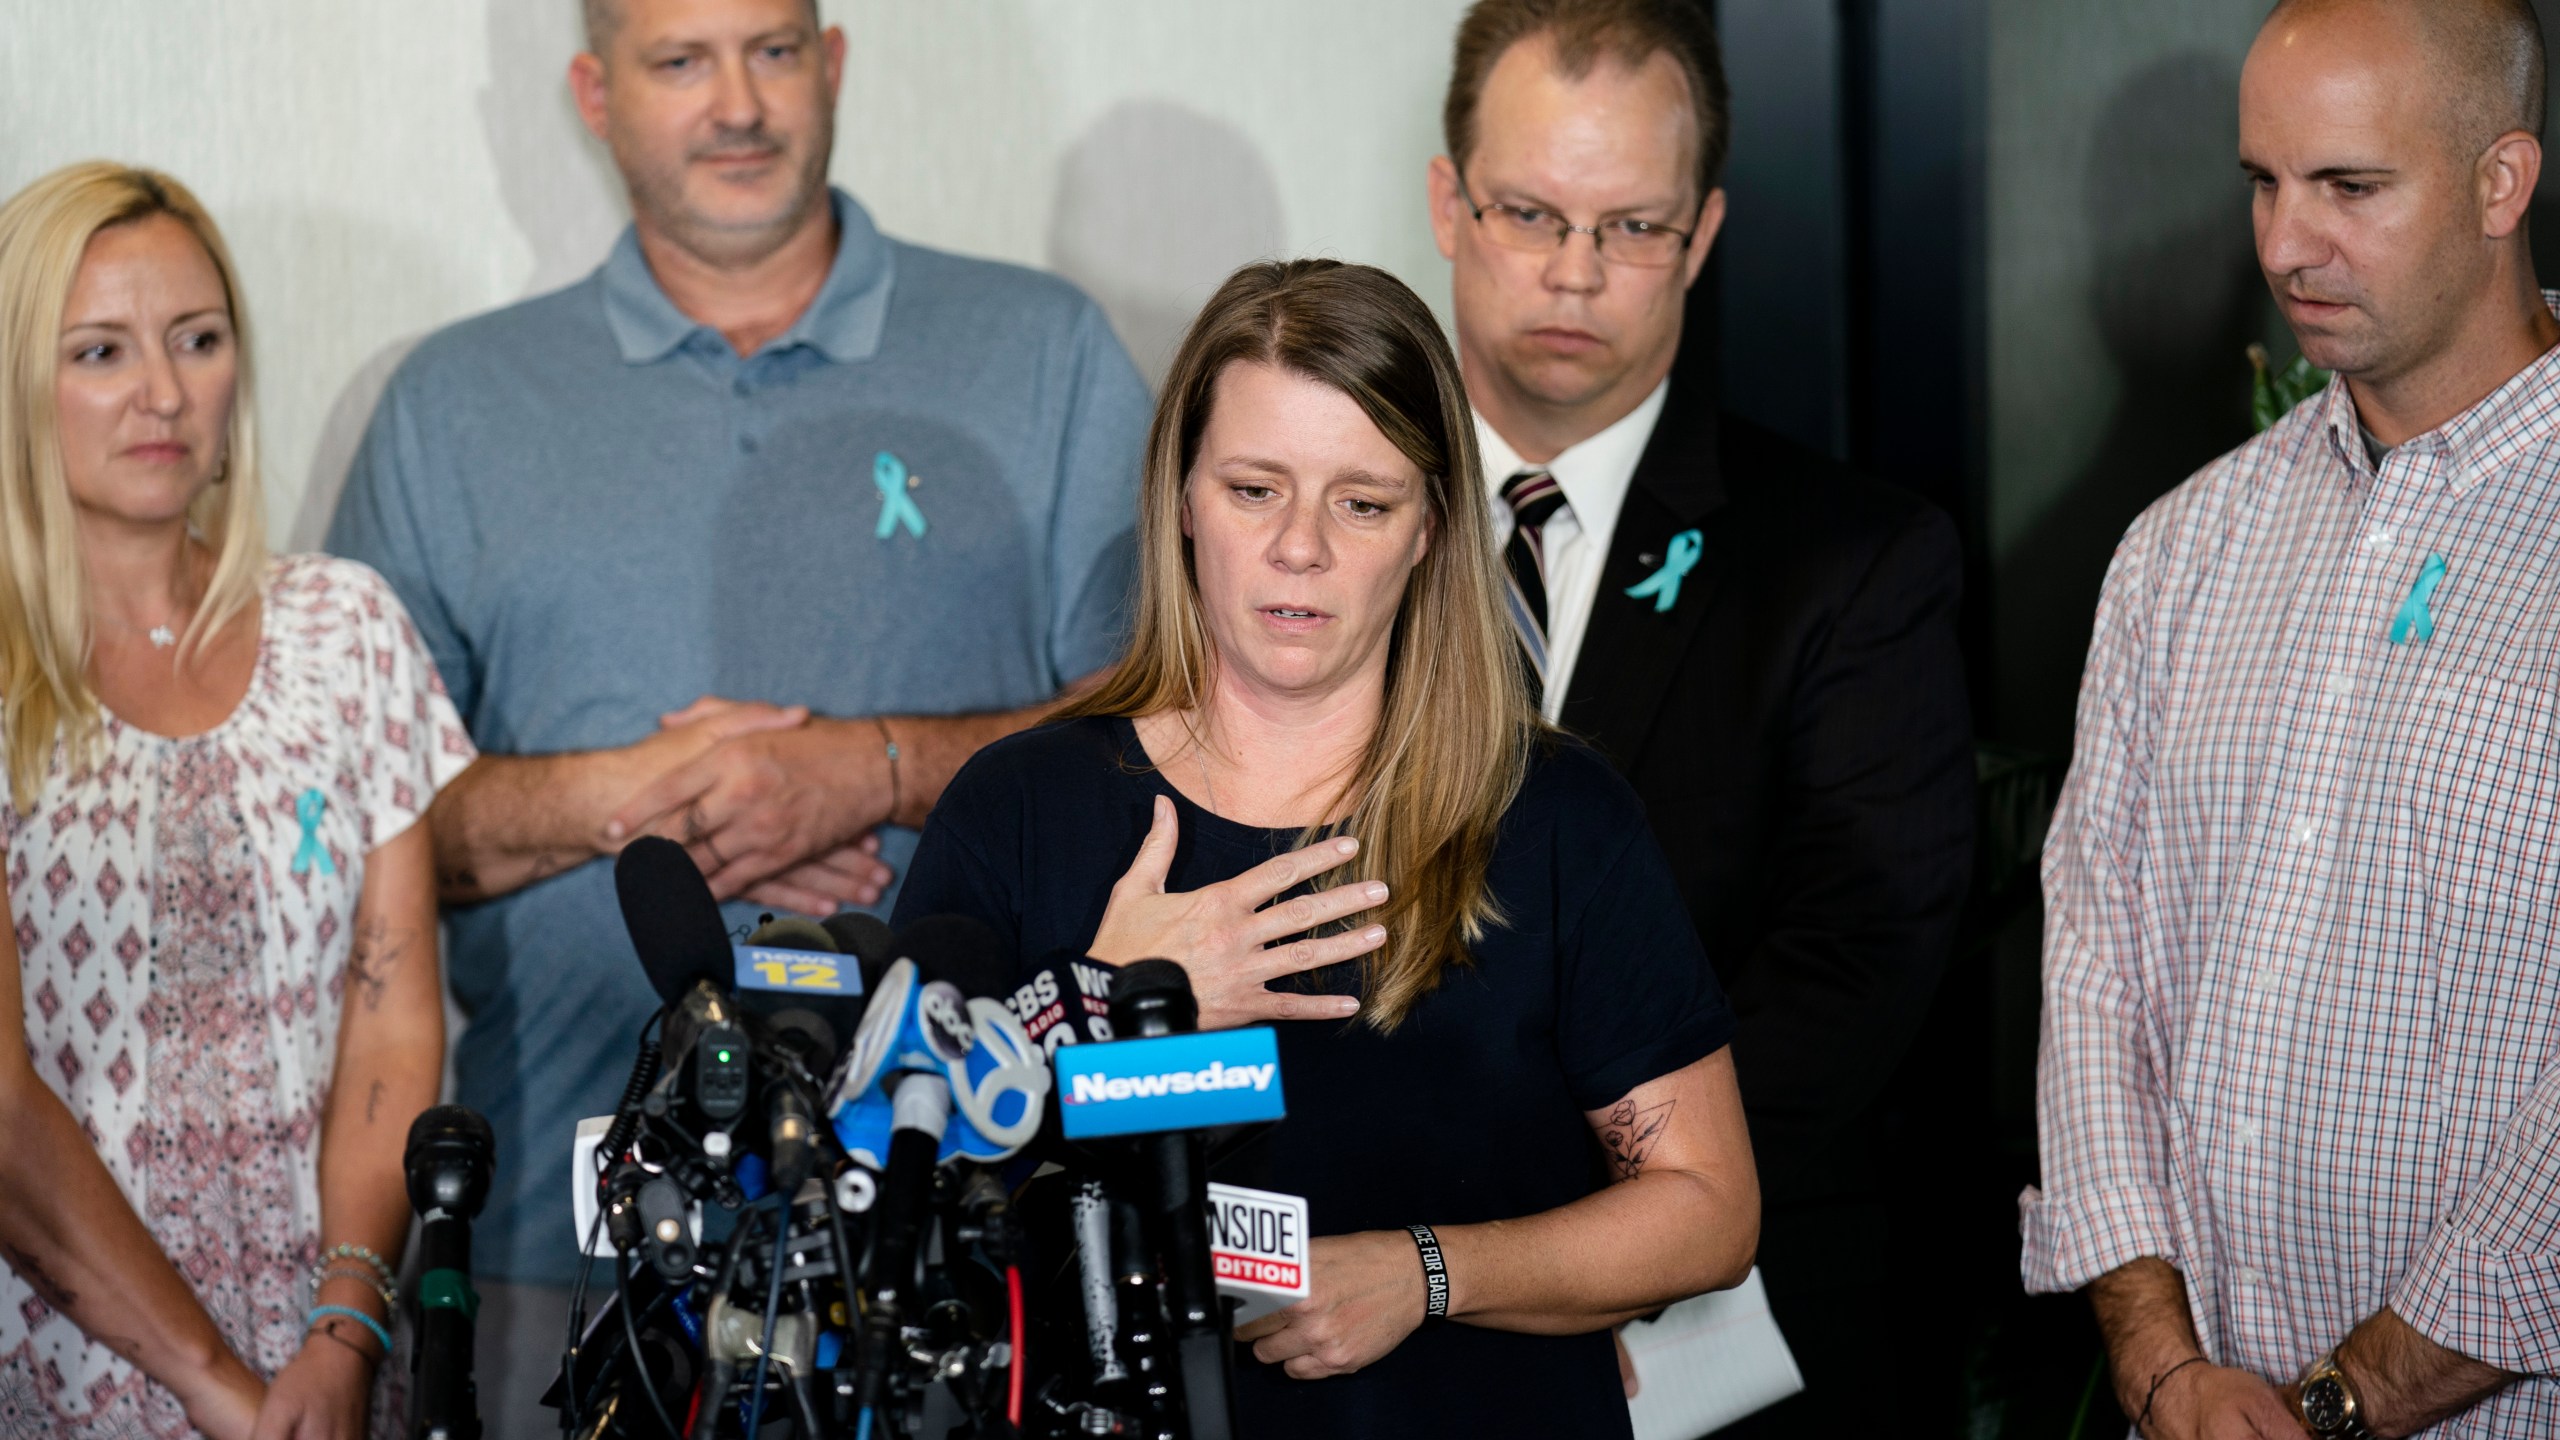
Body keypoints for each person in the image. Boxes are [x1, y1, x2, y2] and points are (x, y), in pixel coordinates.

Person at [324, 0, 1150, 1421]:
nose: (738, 105)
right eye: (679, 61)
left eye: (774, 50)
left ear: (832, 66)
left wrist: (877, 771)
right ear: (594, 93)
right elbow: (355, 837)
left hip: (969, 1246)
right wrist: (640, 797)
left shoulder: (1047, 354)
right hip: (560, 1253)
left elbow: (1164, 735)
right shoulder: (450, 406)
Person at [894, 258, 1760, 1437]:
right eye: (1255, 489)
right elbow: (911, 1209)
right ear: (1182, 497)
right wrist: (1109, 1000)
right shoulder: (1021, 809)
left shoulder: (1551, 816)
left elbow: (1707, 1212)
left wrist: (1425, 1273)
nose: (1300, 546)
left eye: (1361, 501)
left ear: (1430, 529)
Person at [1424, 1, 1975, 1426]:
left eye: (1634, 228)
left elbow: (1852, 972)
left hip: (1723, 1334)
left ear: (1707, 232)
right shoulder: (1328, 531)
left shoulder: (1854, 561)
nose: (1572, 272)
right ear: (1446, 201)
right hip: (1370, 1304)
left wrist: (1572, 1249)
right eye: (1531, 212)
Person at [2023, 2, 2560, 1436]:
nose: (2281, 246)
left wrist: (2333, 1408)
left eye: (2349, 187)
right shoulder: (2180, 553)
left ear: (2503, 183)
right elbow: (2094, 976)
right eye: (2263, 181)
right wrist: (2162, 1370)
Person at [0, 163, 467, 1440]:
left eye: (197, 341)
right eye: (99, 350)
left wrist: (344, 1330)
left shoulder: (347, 628)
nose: (162, 393)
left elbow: (390, 1025)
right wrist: (212, 1379)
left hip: (326, 1360)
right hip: (50, 1370)